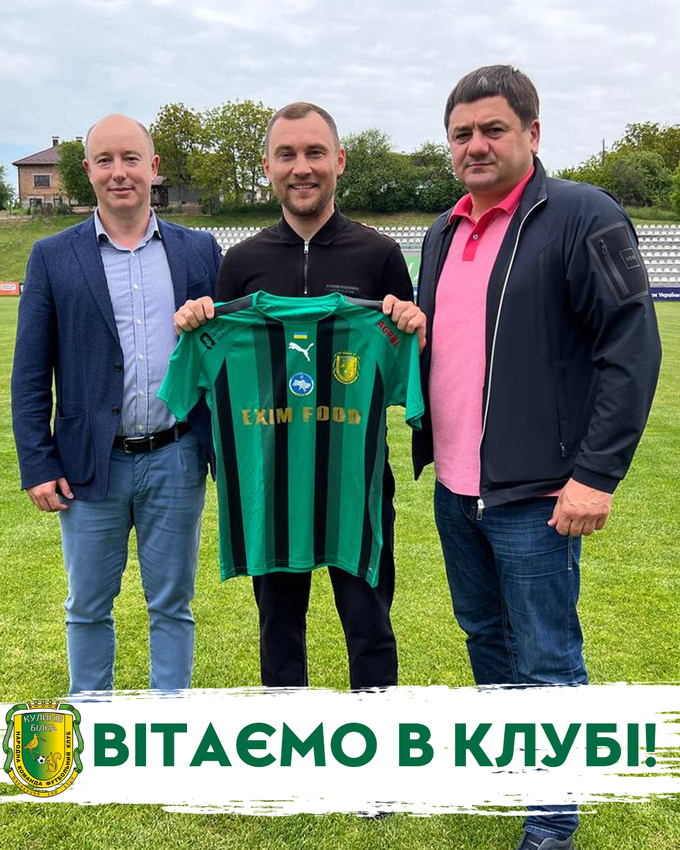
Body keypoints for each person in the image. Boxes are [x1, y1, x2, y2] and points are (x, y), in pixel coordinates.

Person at [412, 66, 662, 850]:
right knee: (486, 642)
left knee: (548, 659)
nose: (476, 145)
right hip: (456, 490)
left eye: (493, 129)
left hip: (538, 494)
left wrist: (596, 475)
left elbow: (632, 349)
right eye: (462, 134)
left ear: (532, 133)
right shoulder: (441, 232)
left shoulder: (585, 215)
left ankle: (553, 820)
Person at [173, 101, 424, 690]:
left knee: (370, 628)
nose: (301, 167)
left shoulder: (380, 255)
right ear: (267, 165)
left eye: (315, 152)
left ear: (339, 160)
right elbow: (212, 373)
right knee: (279, 633)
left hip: (354, 484)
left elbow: (409, 366)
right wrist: (196, 324)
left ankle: (379, 734)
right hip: (270, 486)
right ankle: (288, 743)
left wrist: (414, 327)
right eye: (286, 154)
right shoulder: (241, 262)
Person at [11, 114, 222, 694]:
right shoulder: (53, 256)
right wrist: (38, 462)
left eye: (131, 158)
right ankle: (92, 717)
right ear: (88, 171)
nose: (119, 172)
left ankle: (168, 721)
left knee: (172, 604)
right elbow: (30, 374)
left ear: (153, 168)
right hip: (88, 463)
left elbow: (227, 354)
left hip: (176, 456)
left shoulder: (198, 251)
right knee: (87, 606)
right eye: (105, 160)